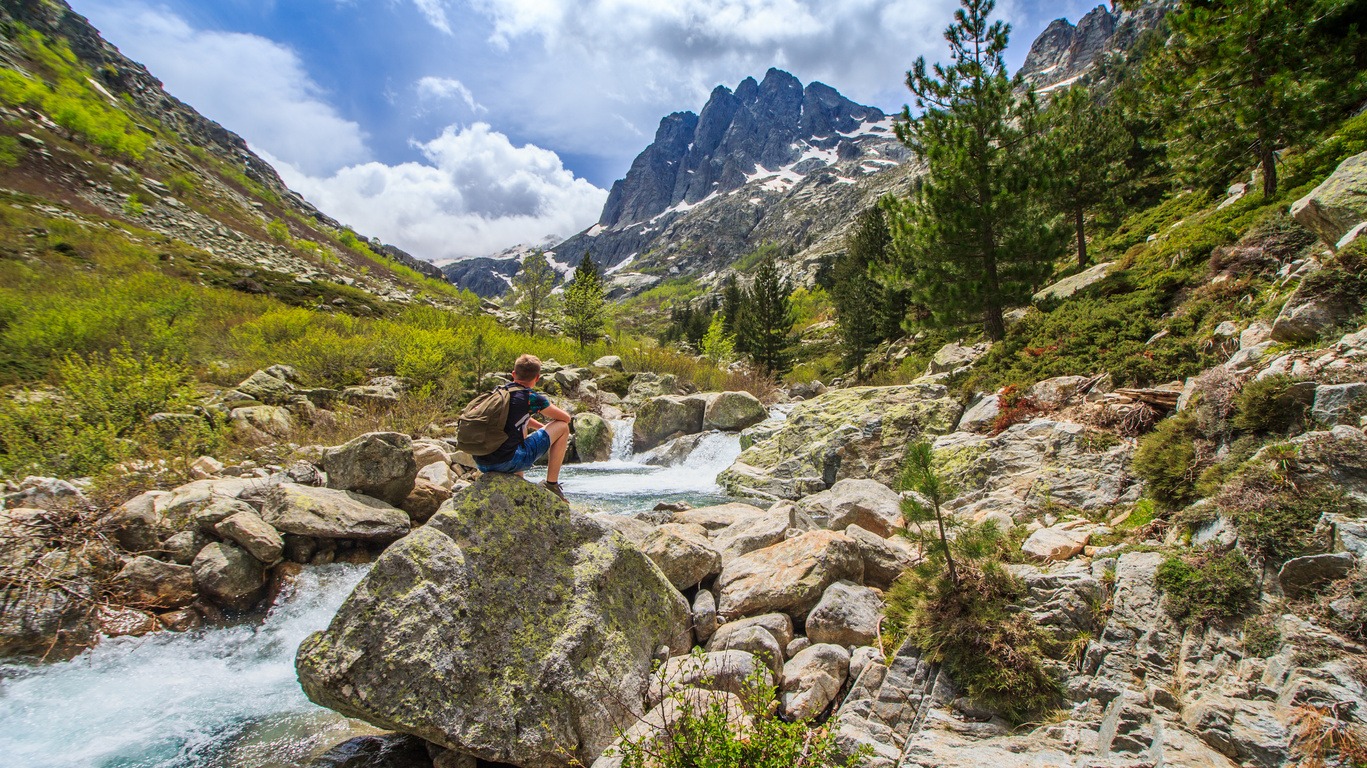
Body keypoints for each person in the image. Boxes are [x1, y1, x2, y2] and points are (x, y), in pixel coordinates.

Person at [475, 354, 571, 501]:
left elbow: (516, 418)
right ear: (537, 378)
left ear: (513, 374)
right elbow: (565, 418)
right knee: (563, 427)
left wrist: (541, 427)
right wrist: (547, 429)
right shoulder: (531, 397)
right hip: (508, 462)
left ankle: (518, 480)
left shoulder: (499, 392)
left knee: (520, 427)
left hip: (482, 462)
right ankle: (552, 484)